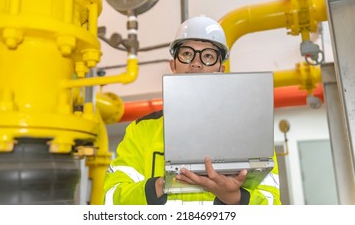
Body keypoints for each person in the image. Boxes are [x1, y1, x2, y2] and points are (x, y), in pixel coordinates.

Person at [102, 15, 281, 205]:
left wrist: (234, 198)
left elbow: (271, 205)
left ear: (221, 70)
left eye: (208, 56)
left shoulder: (250, 132)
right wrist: (163, 185)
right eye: (187, 54)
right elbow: (111, 200)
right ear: (173, 65)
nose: (196, 63)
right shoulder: (141, 131)